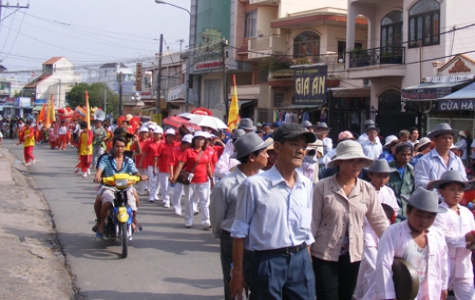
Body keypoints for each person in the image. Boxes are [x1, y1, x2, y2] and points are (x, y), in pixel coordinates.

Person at [230, 123, 317, 299]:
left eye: (304, 146)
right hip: (268, 261)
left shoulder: (306, 185)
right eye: (294, 144)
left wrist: (307, 263)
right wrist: (238, 273)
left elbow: (306, 231)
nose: (301, 151)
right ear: (277, 147)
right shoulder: (254, 185)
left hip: (300, 259)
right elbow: (239, 232)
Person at [311, 140, 389, 300]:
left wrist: (394, 245)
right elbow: (312, 222)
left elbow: (379, 221)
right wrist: (307, 254)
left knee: (346, 295)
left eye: (359, 161)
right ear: (339, 162)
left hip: (353, 253)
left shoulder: (366, 189)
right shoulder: (322, 187)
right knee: (327, 295)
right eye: (351, 160)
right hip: (324, 252)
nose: (356, 165)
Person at [373, 187, 473, 299]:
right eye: (419, 215)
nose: (424, 220)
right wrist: (389, 296)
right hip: (401, 293)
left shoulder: (437, 235)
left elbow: (443, 262)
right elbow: (383, 265)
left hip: (430, 292)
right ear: (408, 211)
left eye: (430, 217)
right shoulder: (393, 232)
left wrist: (443, 286)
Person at [210, 132, 271, 300]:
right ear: (252, 157)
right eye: (264, 152)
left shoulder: (266, 182)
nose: (268, 156)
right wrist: (223, 238)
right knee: (235, 288)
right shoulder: (225, 185)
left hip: (260, 240)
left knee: (260, 287)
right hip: (232, 240)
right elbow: (216, 218)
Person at [354, 159, 400, 300]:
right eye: (379, 176)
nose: (382, 179)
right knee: (372, 266)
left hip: (383, 231)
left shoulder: (389, 191)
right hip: (367, 231)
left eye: (385, 176)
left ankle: (362, 295)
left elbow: (395, 210)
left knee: (376, 267)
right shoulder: (363, 189)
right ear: (370, 175)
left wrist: (391, 216)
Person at [431, 171, 475, 299]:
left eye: (460, 190)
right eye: (452, 189)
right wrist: (467, 238)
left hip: (464, 264)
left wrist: (472, 242)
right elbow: (441, 238)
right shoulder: (438, 212)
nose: (457, 193)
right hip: (444, 264)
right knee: (437, 295)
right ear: (441, 191)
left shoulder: (467, 213)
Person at [93, 136, 146, 238]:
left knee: (134, 201)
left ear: (125, 148)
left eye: (122, 147)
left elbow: (135, 172)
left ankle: (133, 219)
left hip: (126, 187)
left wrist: (141, 176)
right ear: (113, 147)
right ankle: (102, 222)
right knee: (105, 203)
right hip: (109, 186)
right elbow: (99, 170)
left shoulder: (128, 161)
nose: (120, 149)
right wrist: (98, 176)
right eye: (117, 146)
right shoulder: (105, 158)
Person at [171, 131, 214, 229]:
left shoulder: (206, 152)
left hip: (204, 180)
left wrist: (211, 178)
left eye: (202, 140)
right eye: (198, 139)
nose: (200, 142)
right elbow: (180, 164)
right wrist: (174, 177)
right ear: (194, 140)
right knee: (189, 200)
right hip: (190, 181)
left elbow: (208, 166)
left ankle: (206, 221)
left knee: (204, 201)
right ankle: (188, 220)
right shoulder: (188, 151)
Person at [414, 123, 467, 190]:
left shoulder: (456, 160)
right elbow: (419, 183)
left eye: (450, 138)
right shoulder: (424, 160)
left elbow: (463, 179)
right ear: (435, 140)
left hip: (453, 199)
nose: (448, 141)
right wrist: (437, 184)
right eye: (444, 138)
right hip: (433, 199)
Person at [388, 142, 415, 218]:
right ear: (396, 155)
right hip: (391, 211)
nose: (406, 157)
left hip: (406, 211)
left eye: (409, 155)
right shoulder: (387, 169)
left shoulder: (411, 170)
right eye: (403, 154)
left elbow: (414, 192)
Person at [169, 134, 193, 216]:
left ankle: (189, 210)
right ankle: (177, 208)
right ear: (184, 143)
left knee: (189, 194)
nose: (190, 146)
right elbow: (171, 164)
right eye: (189, 144)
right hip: (178, 174)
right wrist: (172, 175)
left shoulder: (191, 151)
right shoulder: (175, 150)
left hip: (187, 175)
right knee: (177, 192)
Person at [139, 126, 163, 202]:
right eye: (155, 134)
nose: (156, 135)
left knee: (158, 180)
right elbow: (145, 153)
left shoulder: (163, 143)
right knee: (152, 179)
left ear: (161, 135)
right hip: (151, 164)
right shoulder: (149, 143)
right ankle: (151, 196)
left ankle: (156, 193)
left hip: (161, 164)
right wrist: (140, 162)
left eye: (158, 134)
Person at [157, 128, 176, 208]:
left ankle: (172, 199)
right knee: (164, 185)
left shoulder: (177, 145)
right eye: (169, 136)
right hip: (164, 168)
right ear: (166, 136)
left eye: (172, 136)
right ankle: (166, 200)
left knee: (173, 186)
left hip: (174, 169)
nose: (171, 137)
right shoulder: (162, 145)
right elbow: (157, 156)